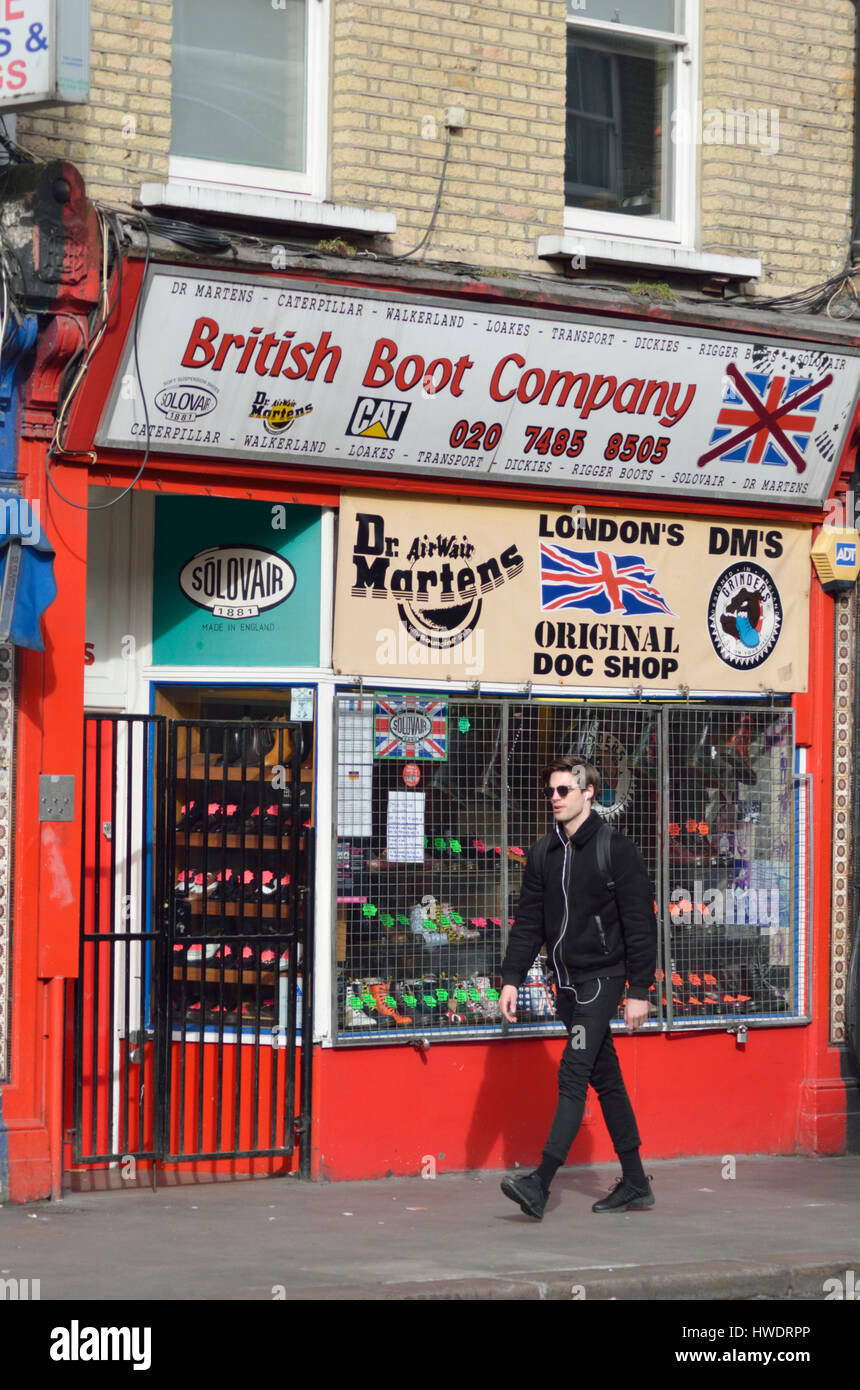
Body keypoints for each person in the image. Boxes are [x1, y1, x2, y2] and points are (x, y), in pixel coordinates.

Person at [499, 756, 657, 1221]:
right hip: (565, 984)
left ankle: (539, 1183)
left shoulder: (616, 849)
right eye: (551, 790)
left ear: (589, 792)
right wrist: (511, 979)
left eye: (564, 790)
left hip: (602, 981)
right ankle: (635, 1182)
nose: (554, 798)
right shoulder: (543, 852)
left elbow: (640, 924)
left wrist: (639, 990)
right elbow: (528, 923)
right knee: (605, 1078)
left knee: (572, 1073)